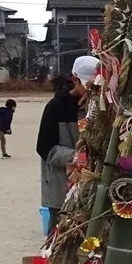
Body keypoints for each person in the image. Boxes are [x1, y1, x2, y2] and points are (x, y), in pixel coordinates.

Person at [37, 58, 95, 231]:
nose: (92, 90)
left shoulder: (99, 106)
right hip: (61, 185)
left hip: (90, 184)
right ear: (75, 80)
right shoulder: (56, 107)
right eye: (89, 85)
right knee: (59, 235)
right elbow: (44, 147)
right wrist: (76, 157)